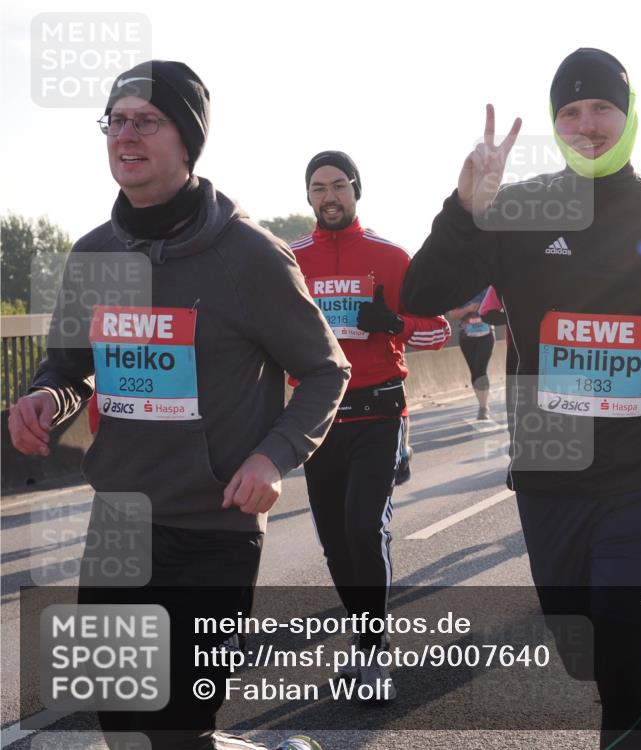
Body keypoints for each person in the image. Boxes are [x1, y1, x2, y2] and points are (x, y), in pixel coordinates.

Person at [401, 48, 641, 749]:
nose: (588, 124)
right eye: (570, 112)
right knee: (586, 652)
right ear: (555, 124)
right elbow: (420, 295)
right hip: (552, 458)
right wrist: (464, 209)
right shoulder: (520, 209)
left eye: (602, 107)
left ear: (628, 115)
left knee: (627, 652)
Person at [6, 61, 348, 750]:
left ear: (187, 140)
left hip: (212, 528)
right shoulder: (93, 255)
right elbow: (70, 367)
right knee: (121, 728)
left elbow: (324, 370)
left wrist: (272, 456)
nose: (125, 135)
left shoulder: (250, 256)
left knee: (173, 732)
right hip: (119, 525)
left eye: (146, 120)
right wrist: (45, 396)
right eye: (116, 120)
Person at [291, 150, 451, 700]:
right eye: (318, 188)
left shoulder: (390, 256)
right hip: (317, 417)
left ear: (356, 191)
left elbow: (439, 333)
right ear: (308, 197)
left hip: (380, 410)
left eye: (339, 185)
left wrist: (392, 323)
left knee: (364, 528)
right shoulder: (290, 261)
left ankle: (373, 652)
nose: (329, 196)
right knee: (335, 542)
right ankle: (364, 642)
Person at [449, 289, 496, 419]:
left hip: (486, 335)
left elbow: (498, 307)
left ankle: (484, 407)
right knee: (475, 371)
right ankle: (481, 404)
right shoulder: (460, 290)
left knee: (481, 370)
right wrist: (469, 309)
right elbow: (453, 315)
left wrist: (484, 309)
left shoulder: (487, 288)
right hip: (467, 337)